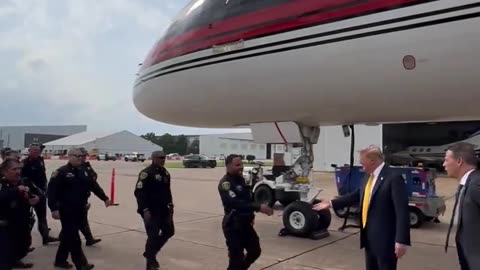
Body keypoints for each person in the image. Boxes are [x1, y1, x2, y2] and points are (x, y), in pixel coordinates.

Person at [313, 145, 410, 270]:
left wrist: (401, 240)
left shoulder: (393, 178)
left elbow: (402, 211)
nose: (361, 165)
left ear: (372, 161)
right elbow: (356, 195)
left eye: (362, 162)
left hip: (386, 241)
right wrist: (332, 203)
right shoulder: (368, 177)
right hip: (369, 238)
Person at [47, 148, 112, 270]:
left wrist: (105, 198)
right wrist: (53, 209)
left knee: (67, 236)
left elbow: (94, 186)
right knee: (74, 238)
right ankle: (82, 264)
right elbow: (51, 192)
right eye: (78, 156)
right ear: (70, 156)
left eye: (83, 156)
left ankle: (60, 260)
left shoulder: (84, 171)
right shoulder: (61, 172)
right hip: (66, 210)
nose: (81, 158)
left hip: (81, 209)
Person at [218, 154, 273, 270]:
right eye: (237, 165)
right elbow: (235, 203)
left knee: (255, 251)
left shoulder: (241, 180)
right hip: (233, 226)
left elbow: (247, 198)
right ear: (228, 166)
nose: (241, 167)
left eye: (242, 164)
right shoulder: (225, 183)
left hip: (245, 224)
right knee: (236, 259)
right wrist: (258, 207)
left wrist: (251, 215)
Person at [134, 151, 174, 270]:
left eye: (164, 157)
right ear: (153, 158)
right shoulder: (146, 173)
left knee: (169, 231)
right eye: (160, 158)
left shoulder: (165, 172)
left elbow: (167, 191)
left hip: (164, 209)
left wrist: (170, 204)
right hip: (151, 211)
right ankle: (150, 263)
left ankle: (150, 253)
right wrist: (144, 209)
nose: (163, 160)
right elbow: (139, 193)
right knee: (153, 235)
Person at [443, 142, 480, 270]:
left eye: (446, 160)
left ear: (459, 161)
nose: (444, 164)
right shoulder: (467, 183)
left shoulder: (476, 184)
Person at [0, 159, 41, 269]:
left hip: (22, 224)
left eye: (19, 169)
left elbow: (36, 193)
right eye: (14, 169)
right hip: (5, 226)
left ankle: (14, 260)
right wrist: (15, 191)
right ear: (4, 171)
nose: (18, 171)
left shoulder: (24, 182)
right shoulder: (2, 185)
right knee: (4, 257)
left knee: (23, 247)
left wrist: (36, 199)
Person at [21, 143, 59, 245]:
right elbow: (24, 180)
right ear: (29, 151)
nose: (37, 152)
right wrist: (31, 193)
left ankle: (45, 237)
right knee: (26, 219)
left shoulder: (40, 160)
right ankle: (23, 242)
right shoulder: (24, 163)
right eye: (34, 150)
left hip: (42, 193)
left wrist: (45, 189)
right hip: (30, 194)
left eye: (38, 150)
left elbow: (43, 176)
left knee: (42, 217)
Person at [78, 148, 103, 246]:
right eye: (82, 156)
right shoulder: (69, 170)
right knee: (75, 222)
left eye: (85, 156)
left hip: (83, 199)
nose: (84, 158)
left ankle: (89, 239)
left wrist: (104, 198)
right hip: (73, 201)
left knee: (81, 221)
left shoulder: (86, 166)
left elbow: (93, 179)